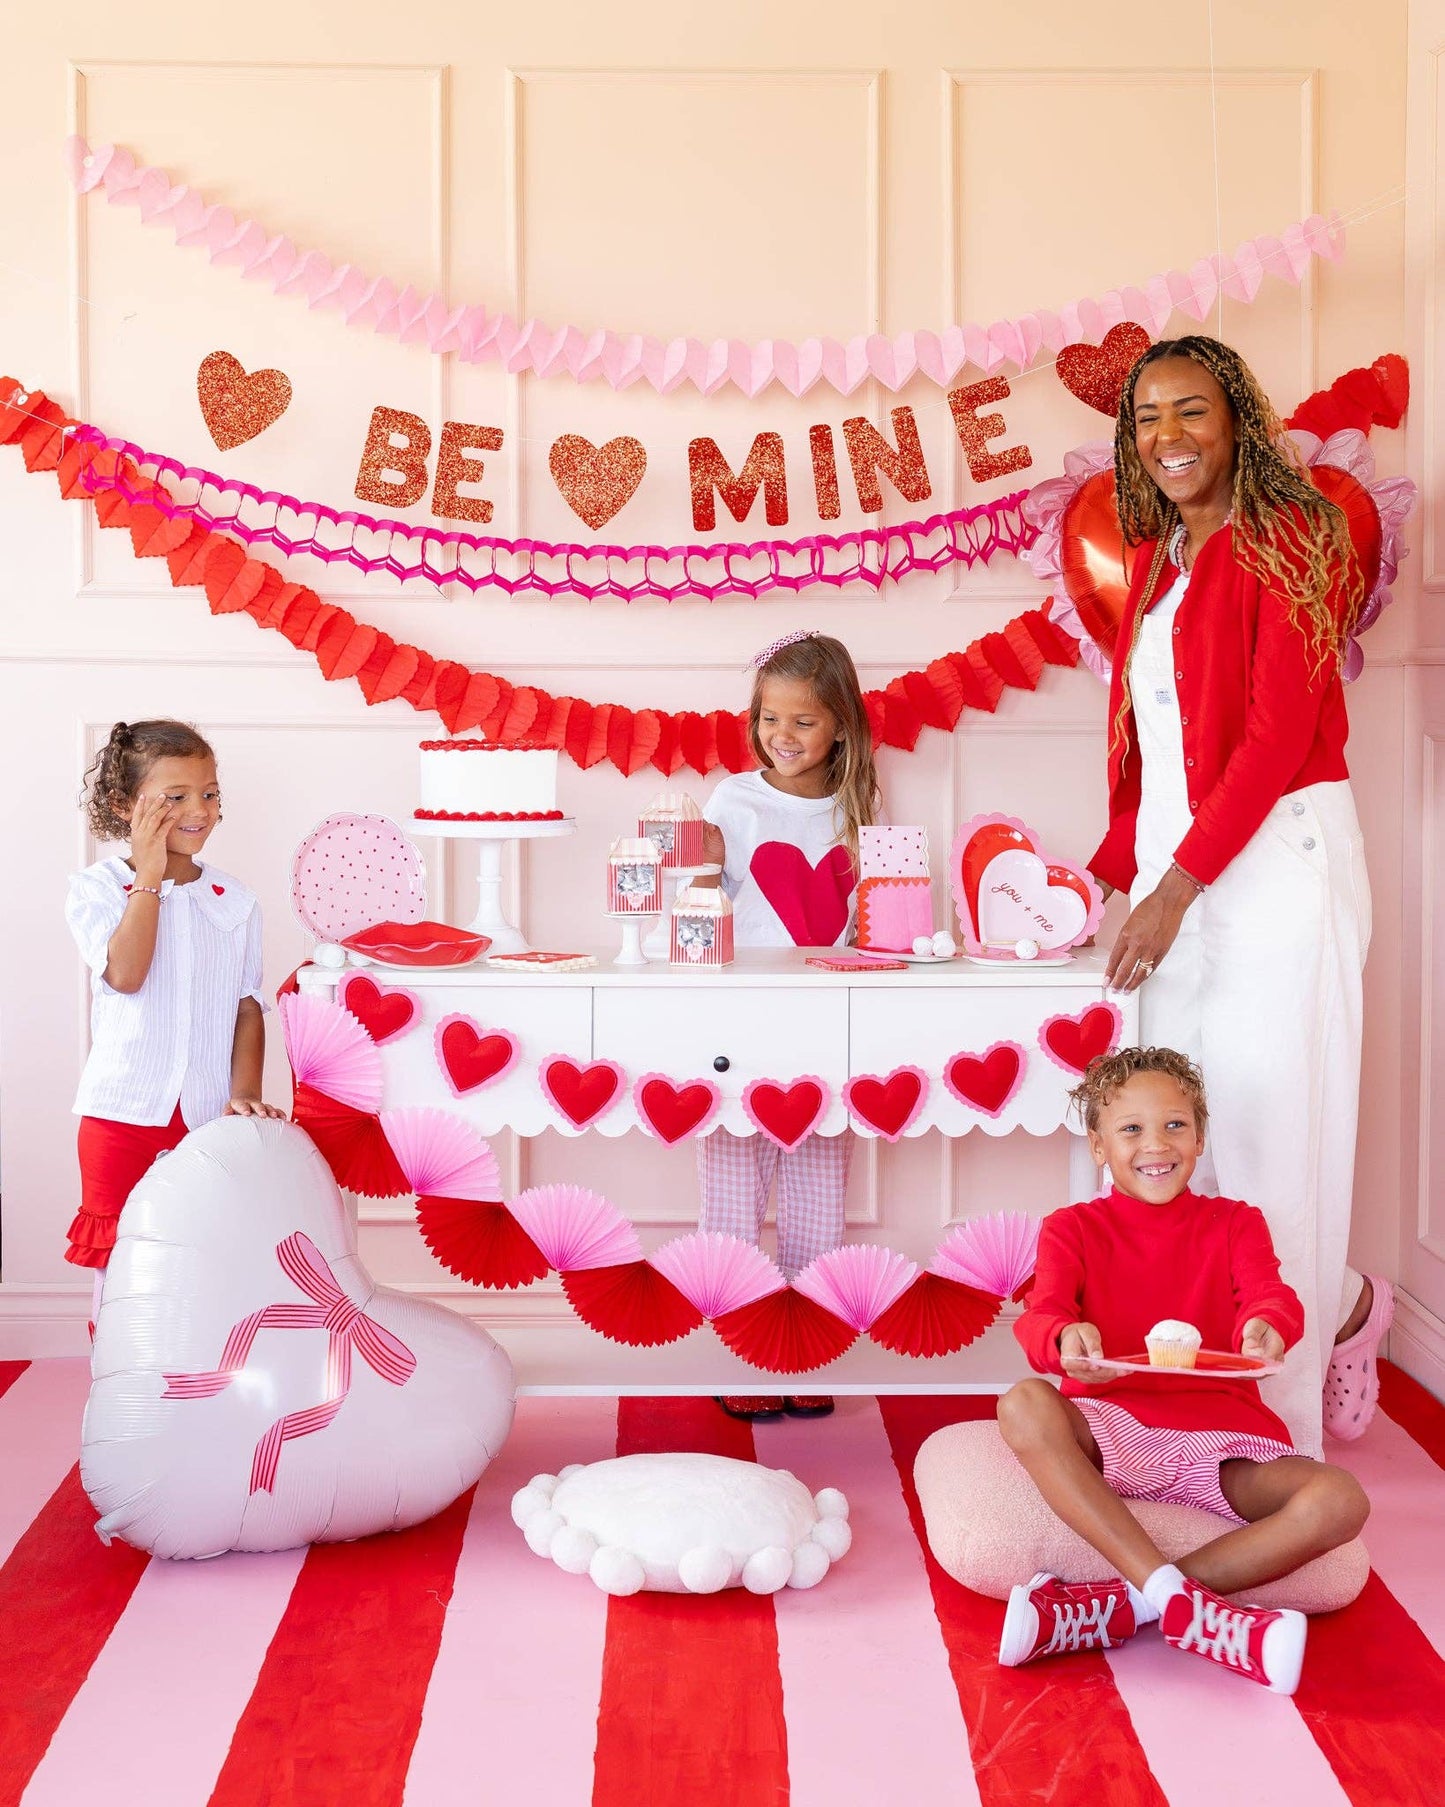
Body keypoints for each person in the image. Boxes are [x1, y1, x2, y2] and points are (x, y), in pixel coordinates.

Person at [1087, 334, 1392, 1454]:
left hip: (1276, 869)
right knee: (1184, 1142)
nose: (1166, 437)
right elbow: (1151, 746)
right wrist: (1103, 878)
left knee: (1274, 1144)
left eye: (1191, 412)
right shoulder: (1159, 553)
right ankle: (1193, 1409)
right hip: (1183, 868)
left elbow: (1269, 740)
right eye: (1146, 417)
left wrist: (1168, 895)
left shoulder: (1289, 531)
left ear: (1237, 419)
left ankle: (1277, 1442)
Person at [998, 1048, 1368, 1695]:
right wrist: (1063, 1337)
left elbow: (1271, 1296)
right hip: (1108, 1428)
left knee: (1340, 1498)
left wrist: (1266, 1324)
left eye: (1173, 1124)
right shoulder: (1072, 1228)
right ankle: (1179, 1601)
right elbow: (1039, 1318)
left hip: (1221, 1446)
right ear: (1098, 1145)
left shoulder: (1233, 1222)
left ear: (1198, 1137)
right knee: (1023, 1402)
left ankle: (1127, 1601)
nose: (1155, 1144)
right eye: (1131, 1129)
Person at [698, 630, 880, 1422]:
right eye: (771, 717)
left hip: (823, 1026)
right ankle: (740, 1349)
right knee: (733, 1201)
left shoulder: (857, 809)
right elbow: (702, 906)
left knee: (815, 1201)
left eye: (803, 721)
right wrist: (696, 863)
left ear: (839, 724)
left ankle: (804, 1350)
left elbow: (866, 918)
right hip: (737, 1024)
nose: (783, 735)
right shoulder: (731, 802)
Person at [66, 720, 284, 1304]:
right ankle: (120, 1385)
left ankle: (197, 1386)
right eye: (176, 796)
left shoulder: (236, 901)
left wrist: (244, 1094)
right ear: (123, 805)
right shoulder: (96, 890)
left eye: (210, 793)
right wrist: (151, 876)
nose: (201, 810)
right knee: (122, 1269)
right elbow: (127, 974)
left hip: (209, 1120)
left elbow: (247, 1006)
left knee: (206, 1258)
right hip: (120, 1115)